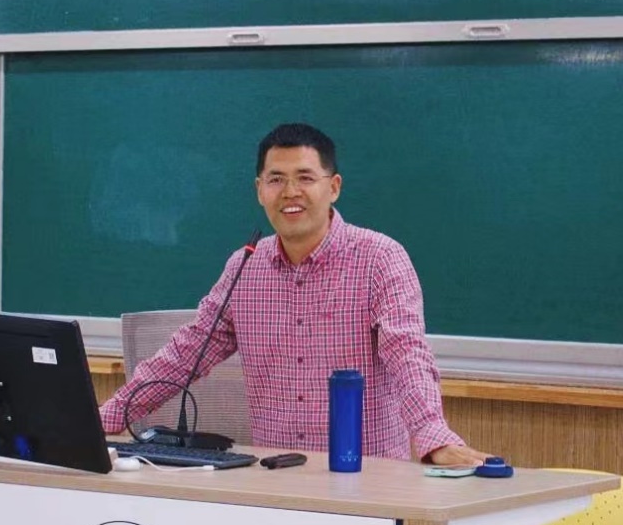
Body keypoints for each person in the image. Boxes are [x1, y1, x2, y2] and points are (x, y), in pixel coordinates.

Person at [99, 122, 490, 470]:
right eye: (276, 179)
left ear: (333, 187)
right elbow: (188, 352)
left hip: (364, 477)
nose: (290, 192)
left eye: (305, 177)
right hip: (276, 475)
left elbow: (407, 354)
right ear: (259, 190)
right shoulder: (244, 265)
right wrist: (105, 417)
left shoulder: (380, 258)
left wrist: (432, 434)